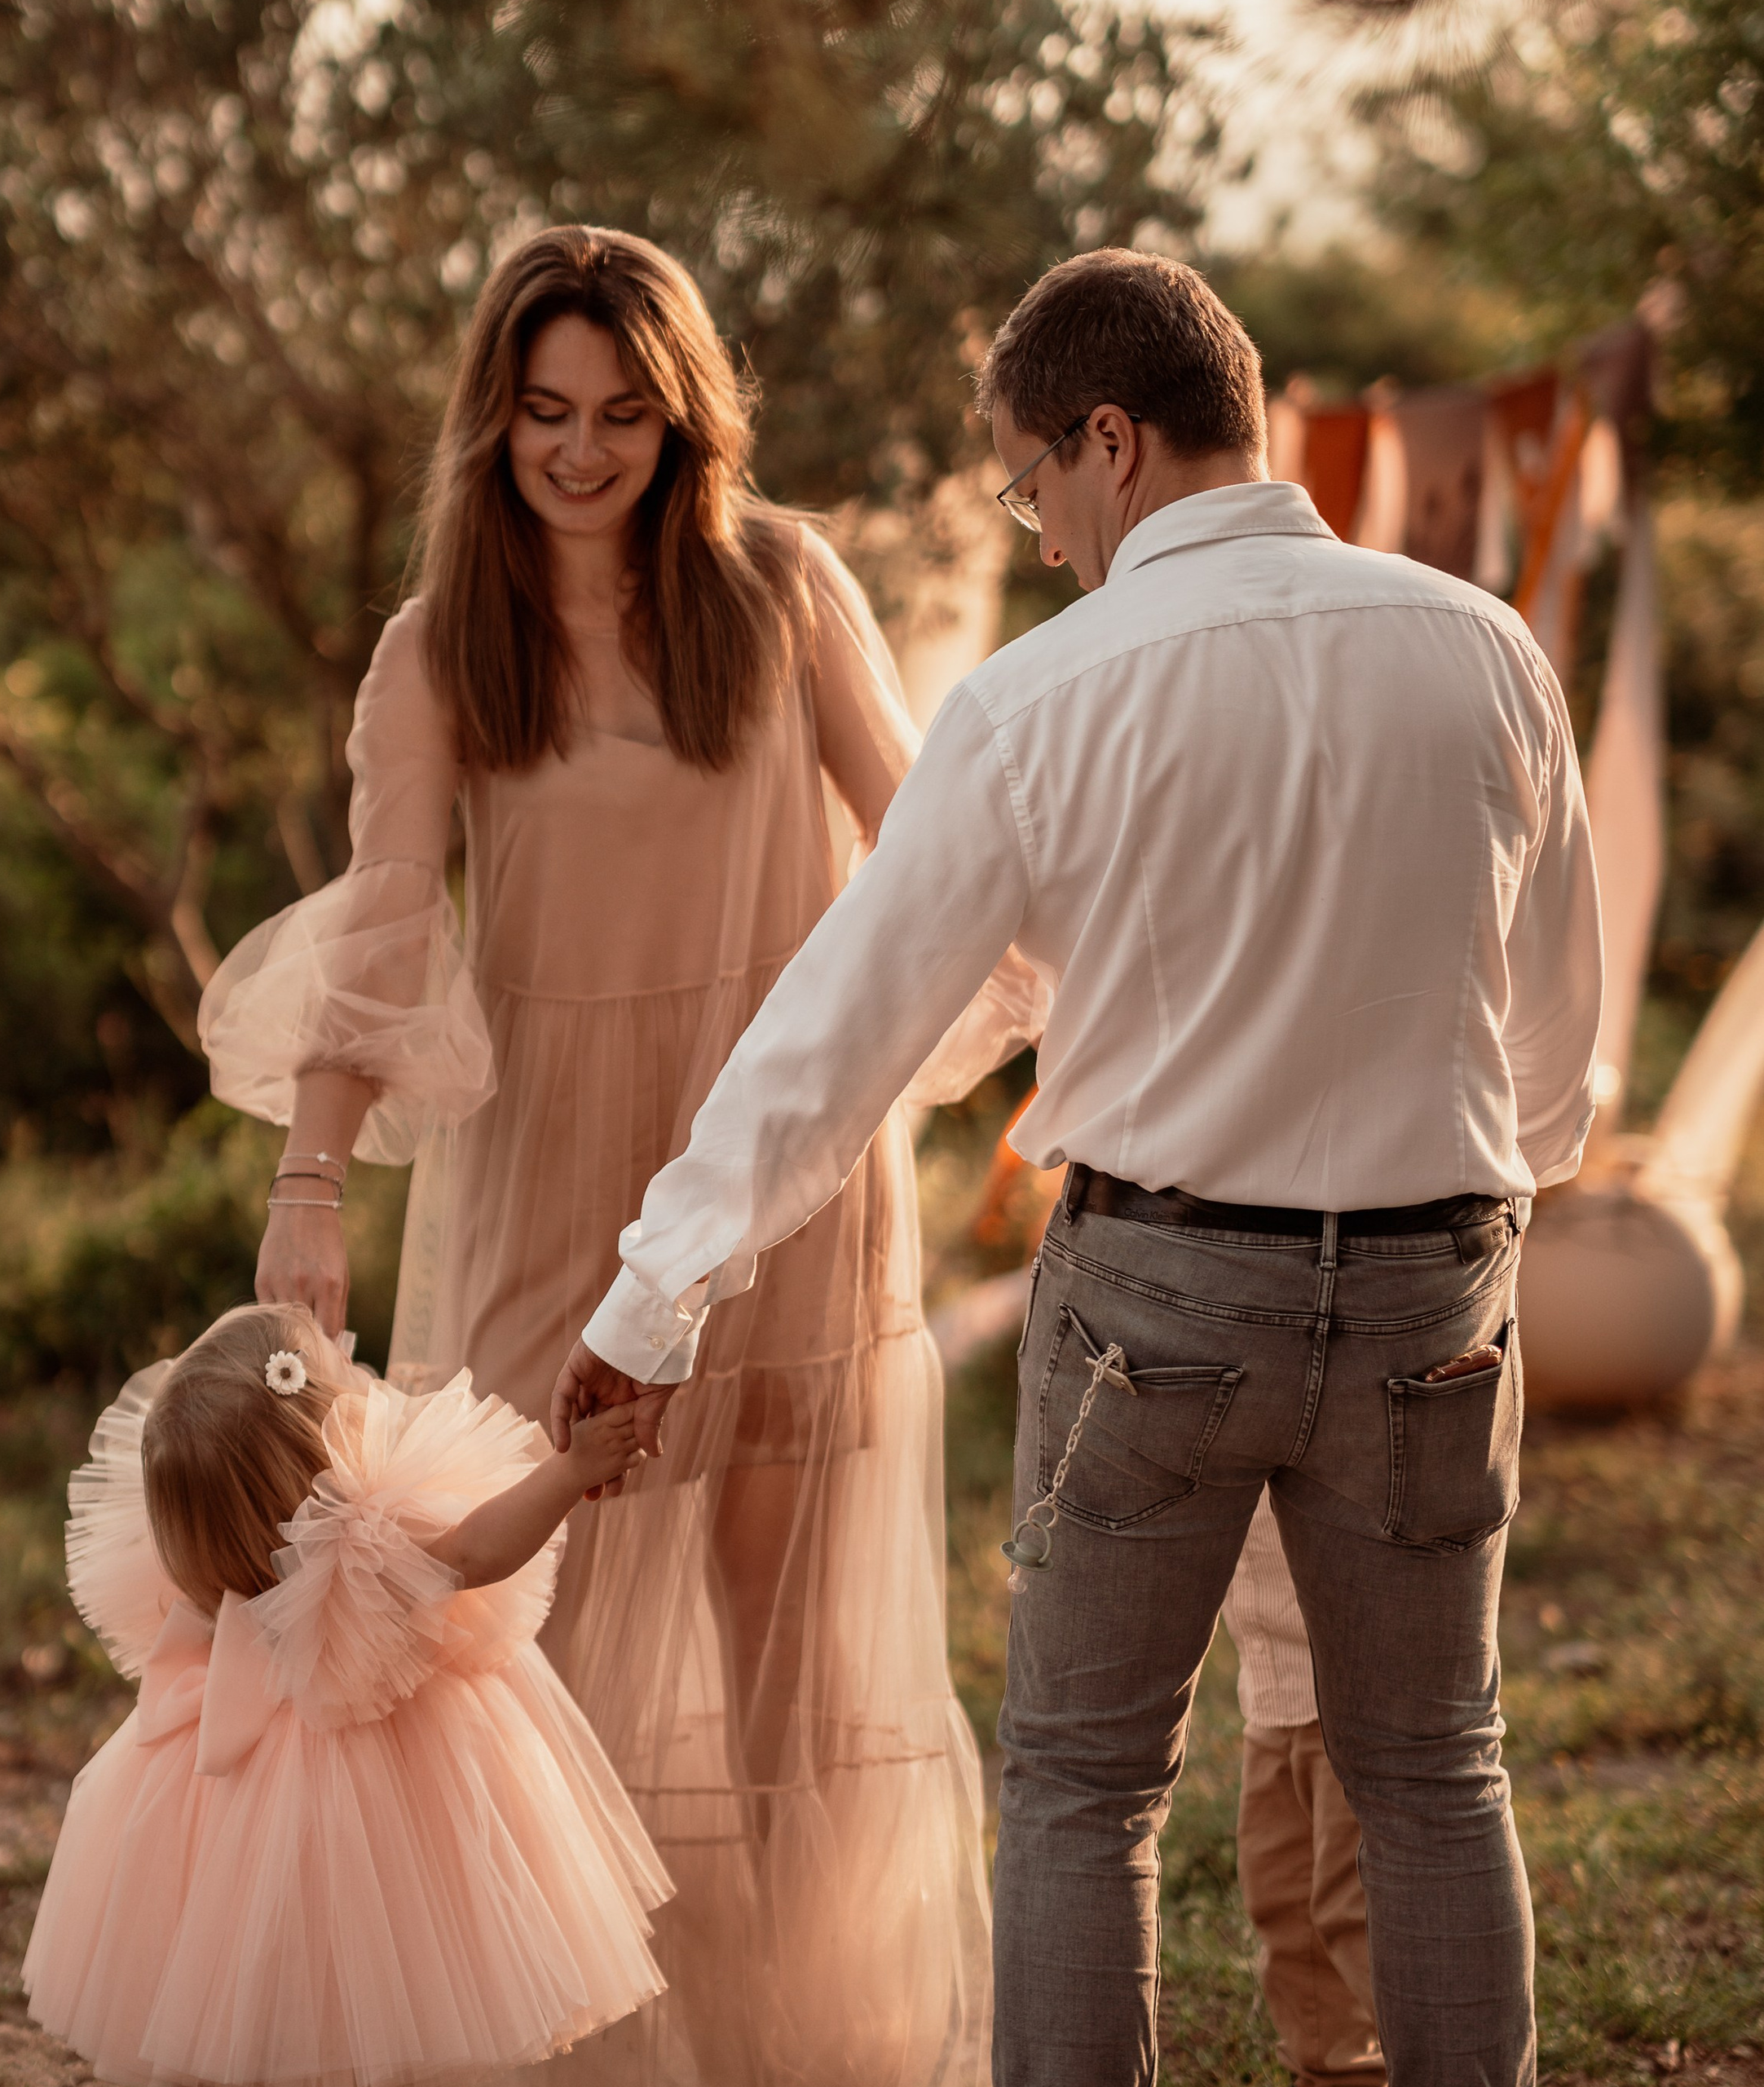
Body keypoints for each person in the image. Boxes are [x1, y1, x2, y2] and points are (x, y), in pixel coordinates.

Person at [552, 247, 1603, 2086]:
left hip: (1153, 1306)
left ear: (1105, 438)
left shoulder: (1037, 700)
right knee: (1434, 1767)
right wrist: (1455, 1221)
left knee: (1079, 1790)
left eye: (1027, 484)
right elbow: (1554, 1040)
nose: (1034, 535)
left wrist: (653, 1295)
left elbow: (839, 1027)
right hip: (1436, 1296)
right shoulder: (1482, 649)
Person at [197, 225, 1027, 2084]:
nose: (578, 453)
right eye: (542, 414)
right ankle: (571, 2045)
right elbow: (387, 932)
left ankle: (808, 2048)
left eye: (622, 417)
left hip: (789, 1179)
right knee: (529, 1632)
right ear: (490, 420)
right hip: (541, 1192)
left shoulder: (786, 585)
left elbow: (928, 855)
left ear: (683, 421)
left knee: (782, 1673)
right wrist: (308, 1182)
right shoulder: (436, 651)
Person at [21, 1301, 670, 2086]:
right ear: (324, 1444)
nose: (364, 1381)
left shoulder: (217, 1560)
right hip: (386, 1803)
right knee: (386, 1961)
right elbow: (476, 1547)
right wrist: (570, 1471)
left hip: (245, 1810)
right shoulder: (362, 1554)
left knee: (268, 1954)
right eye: (344, 1384)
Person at [1224, 1498, 1387, 2087]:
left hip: (1355, 1689)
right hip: (1272, 1686)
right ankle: (1336, 2069)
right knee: (1282, 1900)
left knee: (1359, 1909)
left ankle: (1437, 2061)